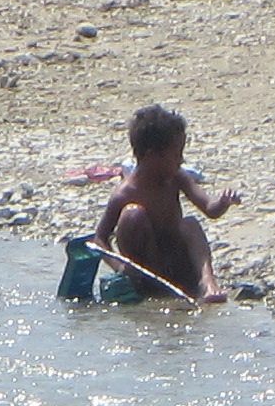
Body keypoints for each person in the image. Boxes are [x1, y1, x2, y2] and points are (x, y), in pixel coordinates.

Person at [95, 102, 228, 301]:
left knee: (190, 224)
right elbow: (99, 239)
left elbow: (210, 209)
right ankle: (150, 290)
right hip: (145, 273)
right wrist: (120, 266)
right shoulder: (125, 194)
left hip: (177, 266)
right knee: (133, 214)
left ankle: (207, 282)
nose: (181, 161)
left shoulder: (177, 178)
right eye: (177, 154)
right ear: (152, 157)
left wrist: (223, 202)